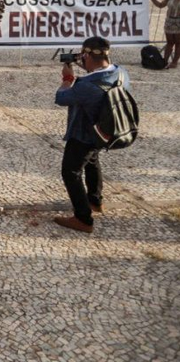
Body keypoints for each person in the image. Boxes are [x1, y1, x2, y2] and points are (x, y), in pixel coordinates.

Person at [53, 37, 130, 233]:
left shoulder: (86, 85)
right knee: (92, 161)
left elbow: (61, 98)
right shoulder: (120, 72)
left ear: (86, 55)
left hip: (83, 134)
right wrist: (88, 69)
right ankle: (95, 201)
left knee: (71, 172)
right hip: (103, 131)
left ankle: (83, 218)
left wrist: (68, 79)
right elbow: (98, 84)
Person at [149, 0, 180, 68]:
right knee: (170, 42)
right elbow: (161, 5)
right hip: (169, 22)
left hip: (179, 22)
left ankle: (174, 62)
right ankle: (165, 61)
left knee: (178, 43)